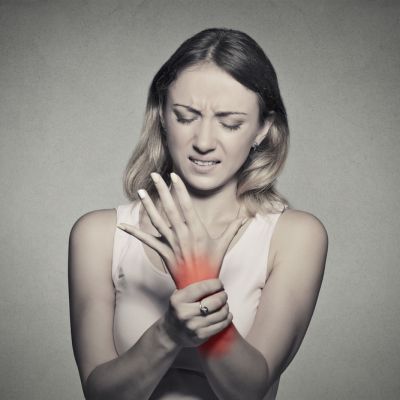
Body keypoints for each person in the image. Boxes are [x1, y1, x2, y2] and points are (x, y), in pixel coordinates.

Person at [68, 28, 328, 400]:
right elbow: (101, 394)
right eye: (186, 116)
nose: (204, 142)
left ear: (263, 129)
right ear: (161, 115)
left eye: (230, 122)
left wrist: (199, 283)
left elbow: (249, 390)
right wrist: (169, 333)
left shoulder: (295, 236)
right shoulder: (97, 235)